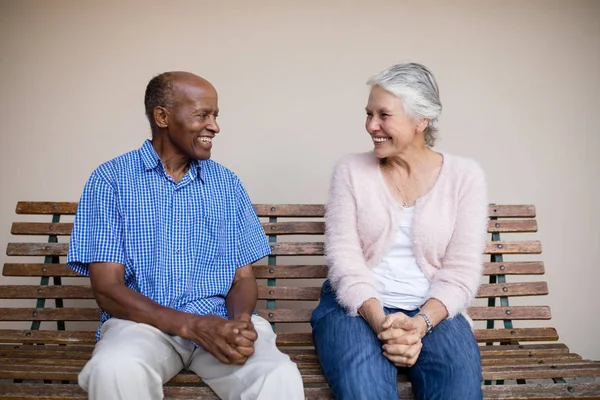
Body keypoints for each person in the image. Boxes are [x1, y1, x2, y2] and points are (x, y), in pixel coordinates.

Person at [67, 71, 304, 400]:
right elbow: (107, 290)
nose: (215, 126)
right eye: (202, 115)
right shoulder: (111, 180)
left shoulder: (226, 183)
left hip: (220, 321)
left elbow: (242, 278)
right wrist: (192, 326)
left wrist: (238, 323)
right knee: (114, 369)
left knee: (277, 375)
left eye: (216, 116)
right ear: (162, 117)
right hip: (142, 327)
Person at [310, 63, 487, 399]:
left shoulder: (466, 177)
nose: (371, 126)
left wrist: (419, 325)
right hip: (356, 309)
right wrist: (383, 325)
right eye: (368, 114)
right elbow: (345, 262)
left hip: (435, 311)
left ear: (422, 119)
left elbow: (460, 273)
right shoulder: (350, 171)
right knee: (364, 391)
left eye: (384, 115)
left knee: (459, 392)